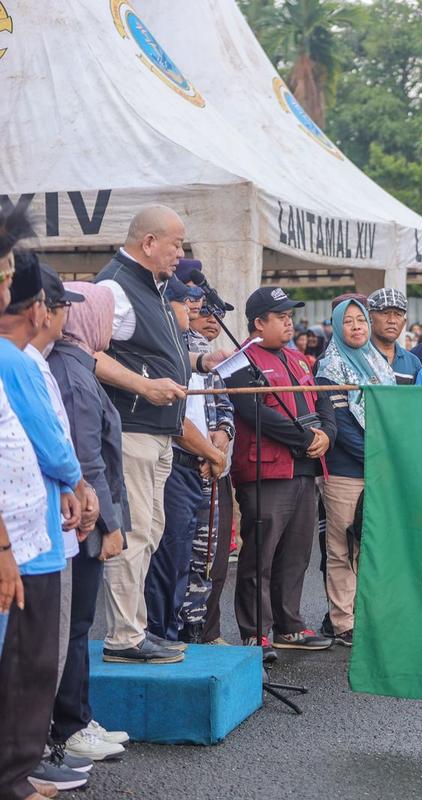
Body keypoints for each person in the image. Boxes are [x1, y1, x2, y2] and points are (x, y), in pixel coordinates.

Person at [92, 206, 229, 666]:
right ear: (149, 243)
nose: (181, 253)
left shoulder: (152, 287)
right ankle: (124, 638)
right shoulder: (114, 287)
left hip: (159, 434)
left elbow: (150, 354)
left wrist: (196, 364)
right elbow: (85, 352)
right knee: (132, 535)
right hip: (131, 430)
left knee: (149, 532)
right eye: (176, 243)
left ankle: (137, 630)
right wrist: (143, 386)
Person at [0, 254, 90, 797]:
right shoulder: (14, 358)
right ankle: (12, 775)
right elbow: (44, 436)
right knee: (24, 665)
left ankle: (16, 771)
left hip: (31, 533)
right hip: (20, 542)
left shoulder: (20, 356)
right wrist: (77, 480)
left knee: (29, 664)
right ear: (38, 310)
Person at [226, 287, 336, 661]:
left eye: (291, 314)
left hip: (305, 470)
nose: (289, 321)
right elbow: (252, 411)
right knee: (261, 555)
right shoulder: (240, 360)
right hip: (266, 472)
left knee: (296, 555)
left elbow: (321, 400)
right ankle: (255, 632)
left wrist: (326, 434)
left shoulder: (299, 359)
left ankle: (289, 626)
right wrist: (306, 436)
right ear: (259, 322)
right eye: (281, 316)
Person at [46, 281, 131, 762]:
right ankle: (70, 726)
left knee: (75, 625)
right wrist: (110, 524)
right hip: (83, 519)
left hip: (83, 515)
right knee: (75, 625)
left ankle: (76, 717)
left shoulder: (76, 365)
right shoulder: (72, 371)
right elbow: (87, 459)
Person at [144, 279, 229, 645]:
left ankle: (190, 630)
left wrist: (219, 446)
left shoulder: (195, 349)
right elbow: (175, 416)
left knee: (203, 557)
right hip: (179, 460)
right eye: (187, 301)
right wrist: (211, 453)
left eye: (196, 301)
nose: (195, 308)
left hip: (206, 465)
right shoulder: (161, 347)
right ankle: (162, 632)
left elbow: (222, 405)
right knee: (171, 555)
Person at [317, 299, 394, 647]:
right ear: (336, 326)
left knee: (372, 546)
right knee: (342, 547)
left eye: (360, 320)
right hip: (346, 471)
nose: (357, 327)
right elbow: (342, 428)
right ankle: (343, 621)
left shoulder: (377, 364)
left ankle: (368, 615)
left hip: (379, 470)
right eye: (347, 322)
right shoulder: (329, 368)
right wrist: (380, 458)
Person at [365, 288, 420, 385]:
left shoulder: (412, 363)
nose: (392, 320)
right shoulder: (358, 357)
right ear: (369, 317)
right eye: (385, 313)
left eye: (398, 314)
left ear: (404, 323)